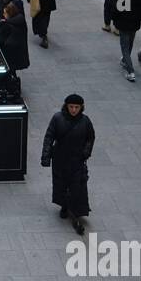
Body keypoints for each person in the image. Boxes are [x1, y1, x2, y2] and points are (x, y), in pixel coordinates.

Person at [40, 94, 95, 235]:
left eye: (77, 107)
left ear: (81, 107)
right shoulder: (57, 118)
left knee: (77, 186)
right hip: (60, 159)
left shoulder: (85, 121)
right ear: (66, 106)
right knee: (61, 184)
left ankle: (76, 212)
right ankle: (64, 205)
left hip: (77, 160)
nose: (74, 110)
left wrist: (86, 152)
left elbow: (90, 138)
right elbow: (49, 137)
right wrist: (46, 156)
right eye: (71, 107)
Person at [108, 0, 141, 82]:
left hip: (123, 24)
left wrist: (114, 19)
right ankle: (126, 61)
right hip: (134, 24)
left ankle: (130, 71)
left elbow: (116, 8)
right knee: (130, 43)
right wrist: (138, 18)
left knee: (124, 47)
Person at [0, 1, 30, 77]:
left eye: (5, 13)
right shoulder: (19, 20)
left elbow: (0, 39)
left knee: (8, 69)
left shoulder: (8, 25)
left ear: (10, 14)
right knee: (12, 69)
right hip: (18, 51)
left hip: (10, 52)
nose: (3, 15)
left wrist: (1, 25)